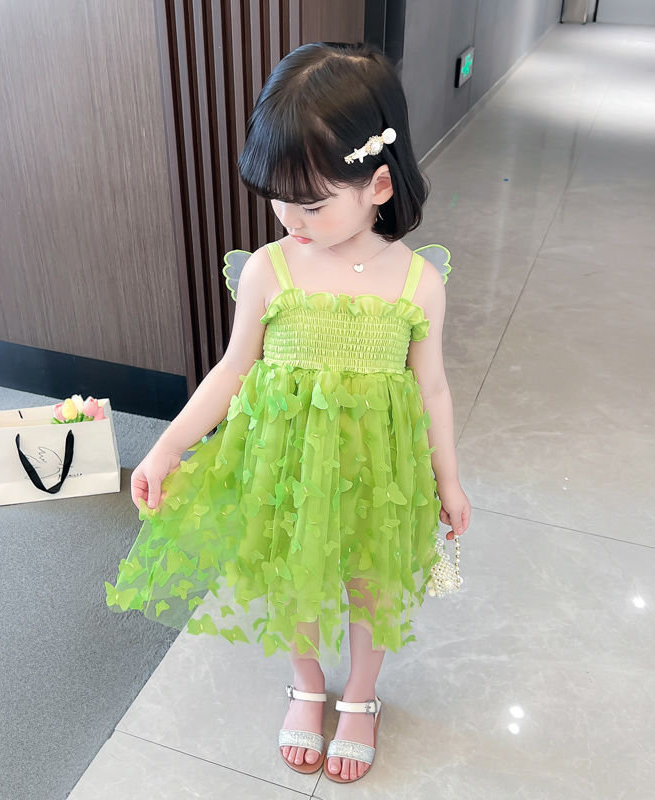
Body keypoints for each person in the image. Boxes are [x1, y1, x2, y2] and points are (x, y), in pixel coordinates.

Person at [106, 41, 471, 784]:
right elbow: (232, 369)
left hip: (377, 471)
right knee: (292, 577)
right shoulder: (270, 269)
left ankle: (361, 695)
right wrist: (169, 446)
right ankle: (307, 682)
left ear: (376, 185)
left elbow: (432, 388)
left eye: (310, 204)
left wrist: (449, 480)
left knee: (370, 582)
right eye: (277, 198)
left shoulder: (416, 282)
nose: (288, 218)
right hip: (284, 466)